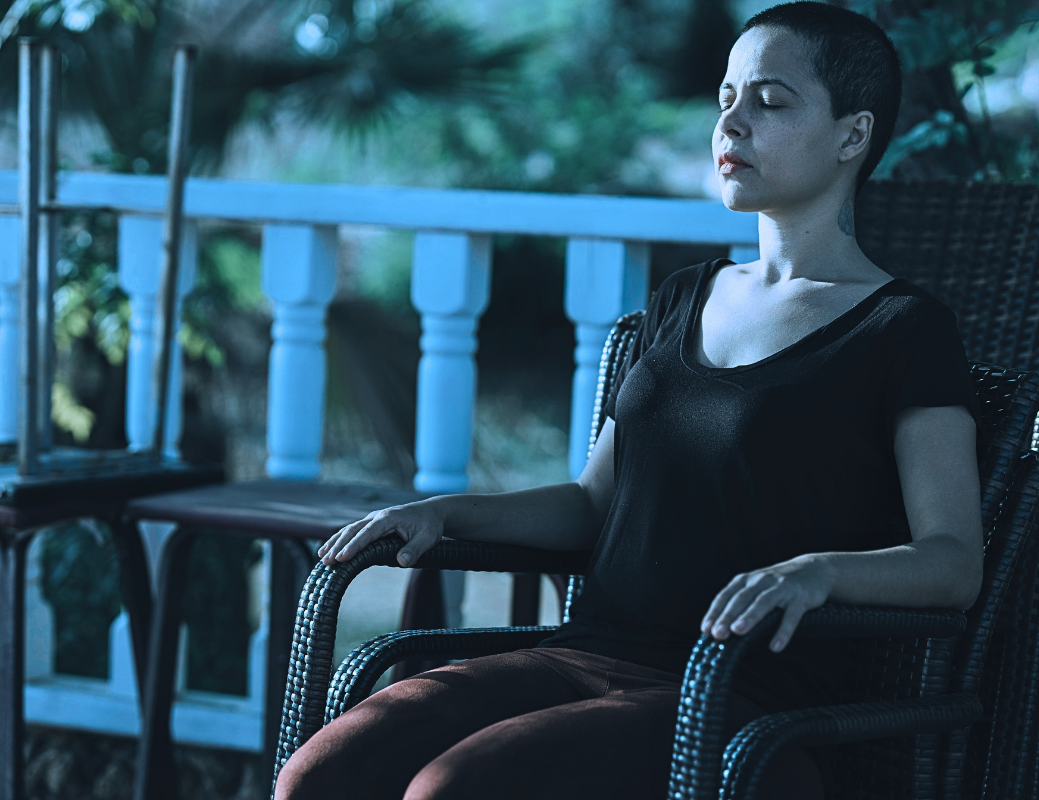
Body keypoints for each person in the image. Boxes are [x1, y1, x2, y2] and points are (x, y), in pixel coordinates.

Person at [275, 3, 983, 799]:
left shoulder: (902, 330)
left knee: (455, 790)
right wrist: (446, 512)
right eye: (725, 99)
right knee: (321, 775)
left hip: (740, 696)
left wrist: (817, 573)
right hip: (582, 656)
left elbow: (952, 561)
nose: (732, 123)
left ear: (853, 135)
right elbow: (592, 504)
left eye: (771, 102)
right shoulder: (683, 298)